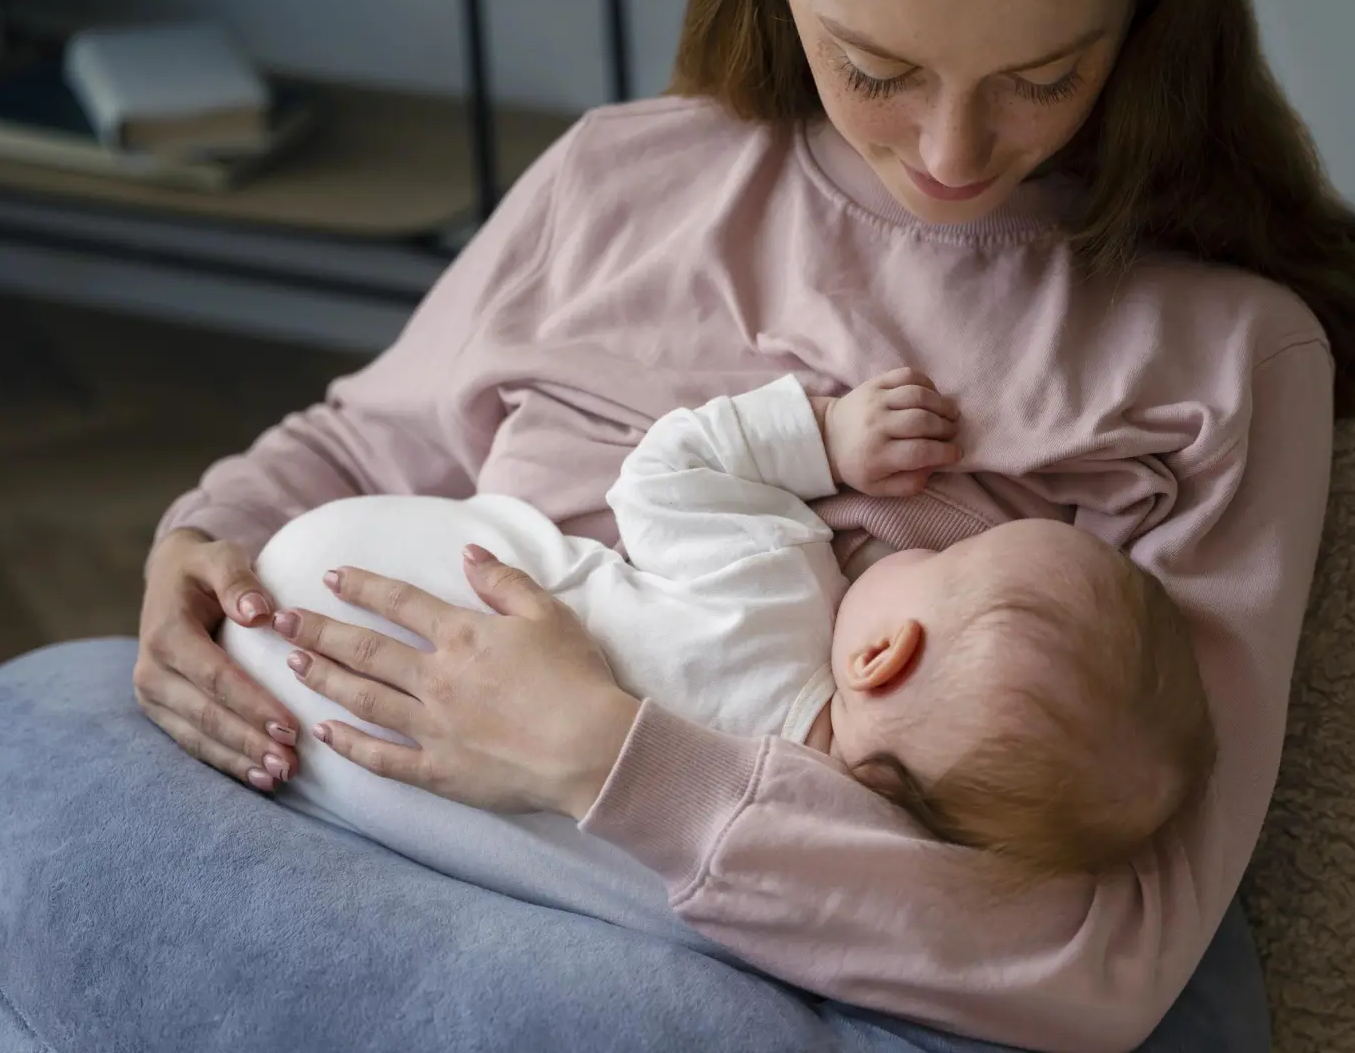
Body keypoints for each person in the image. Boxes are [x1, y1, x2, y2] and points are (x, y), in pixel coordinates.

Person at [0, 0, 1355, 1051]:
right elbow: (358, 441)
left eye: (1044, 76)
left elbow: (1116, 938)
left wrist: (602, 759)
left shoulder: (1220, 358)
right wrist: (201, 546)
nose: (951, 150)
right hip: (357, 808)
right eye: (876, 68)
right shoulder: (623, 180)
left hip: (723, 953)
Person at [228, 370, 1212, 893]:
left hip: (326, 585)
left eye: (950, 559)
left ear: (880, 656)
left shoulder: (777, 590)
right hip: (360, 791)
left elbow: (666, 471)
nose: (921, 544)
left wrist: (824, 437)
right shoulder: (823, 837)